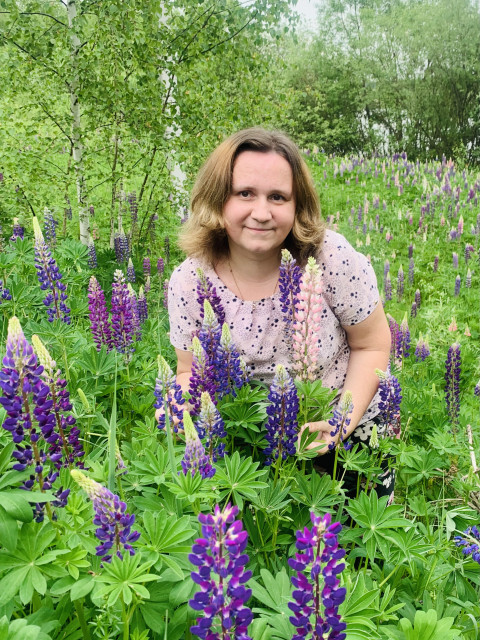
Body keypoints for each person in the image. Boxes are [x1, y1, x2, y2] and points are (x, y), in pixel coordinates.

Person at [166, 127, 393, 497]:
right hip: (247, 442)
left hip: (344, 432)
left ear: (296, 205)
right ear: (217, 199)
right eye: (244, 193)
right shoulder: (191, 281)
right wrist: (177, 406)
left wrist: (340, 424)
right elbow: (189, 371)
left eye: (278, 196)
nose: (262, 212)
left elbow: (373, 345)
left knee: (358, 551)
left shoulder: (329, 258)